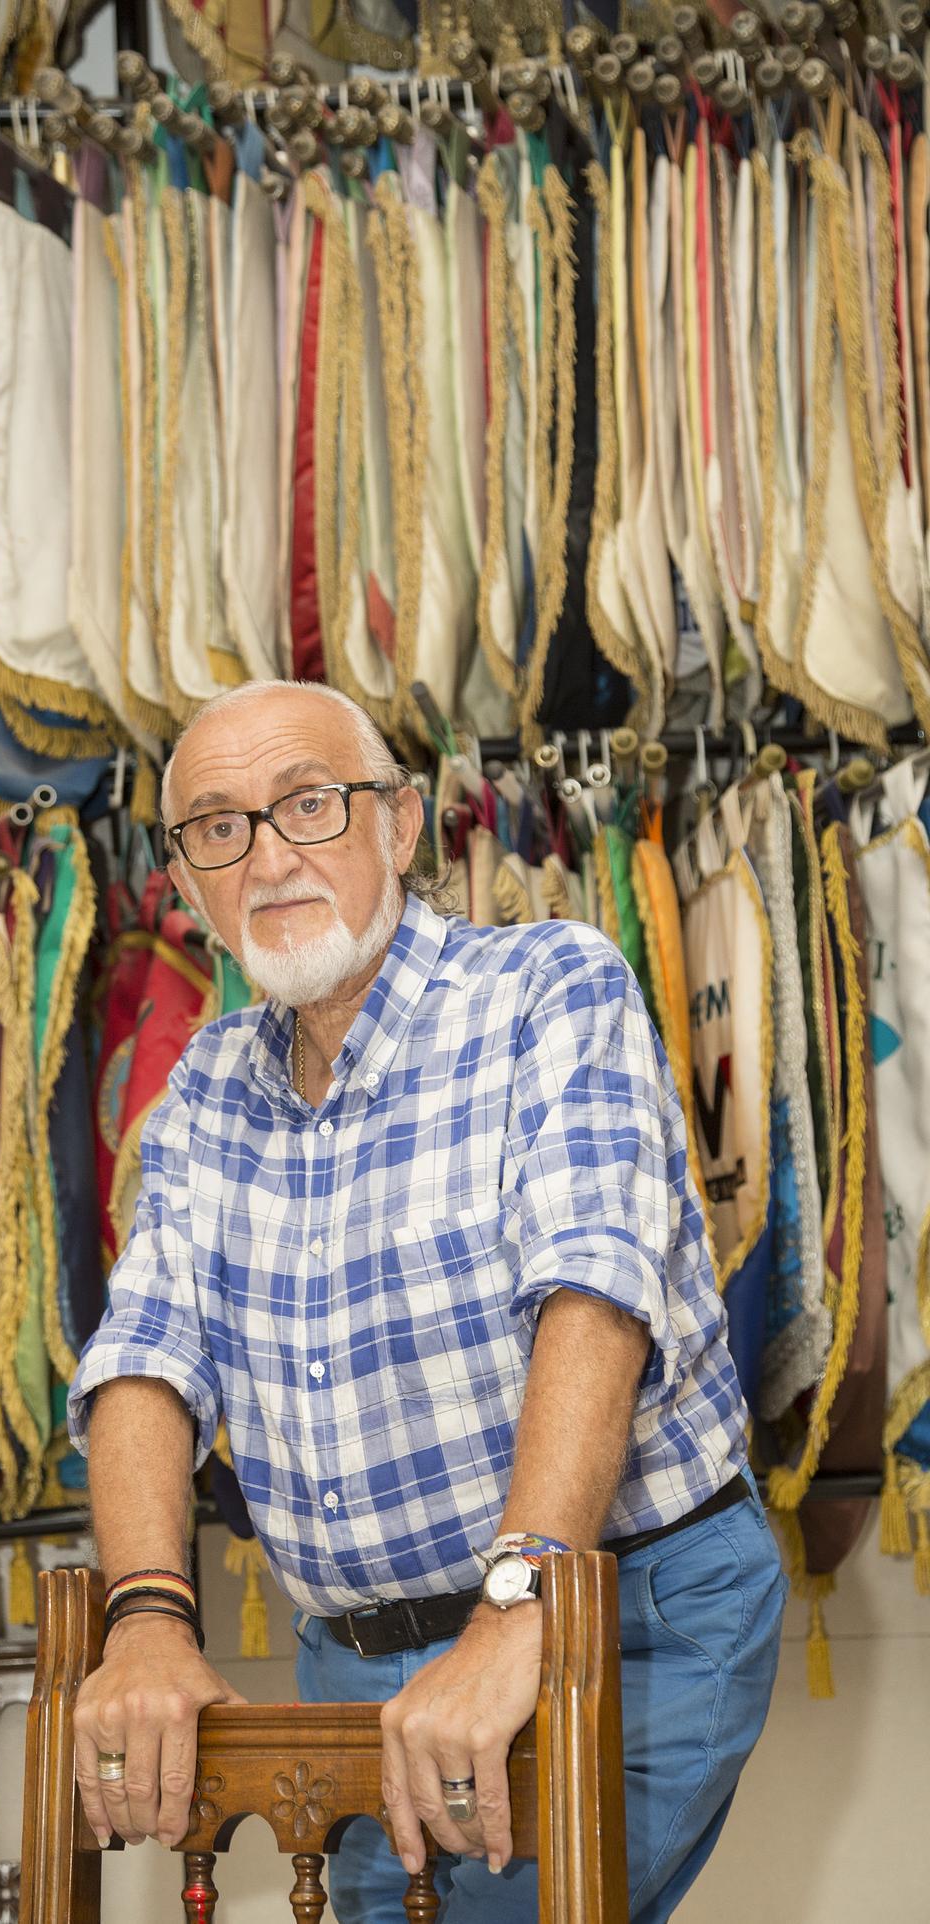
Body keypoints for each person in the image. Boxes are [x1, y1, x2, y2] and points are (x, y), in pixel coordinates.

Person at [68, 680, 786, 1924]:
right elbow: (143, 1358)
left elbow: (596, 1295)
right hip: (359, 1666)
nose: (269, 858)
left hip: (621, 1611)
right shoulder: (206, 1087)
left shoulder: (549, 987)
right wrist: (146, 1615)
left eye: (308, 804)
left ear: (400, 826)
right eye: (220, 827)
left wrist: (520, 1606)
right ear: (185, 881)